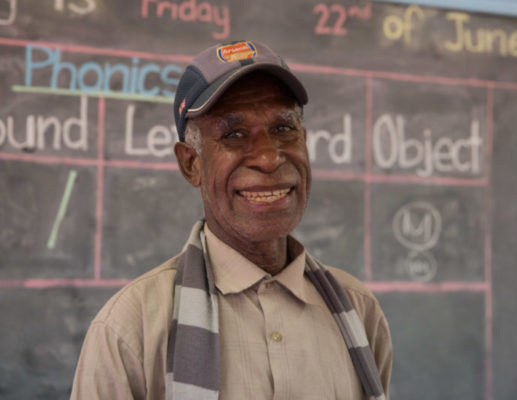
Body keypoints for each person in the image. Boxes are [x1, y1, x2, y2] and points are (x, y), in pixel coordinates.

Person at [71, 40, 392, 400]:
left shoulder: (358, 312)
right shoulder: (131, 328)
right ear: (191, 163)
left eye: (284, 129)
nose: (269, 158)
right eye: (234, 134)